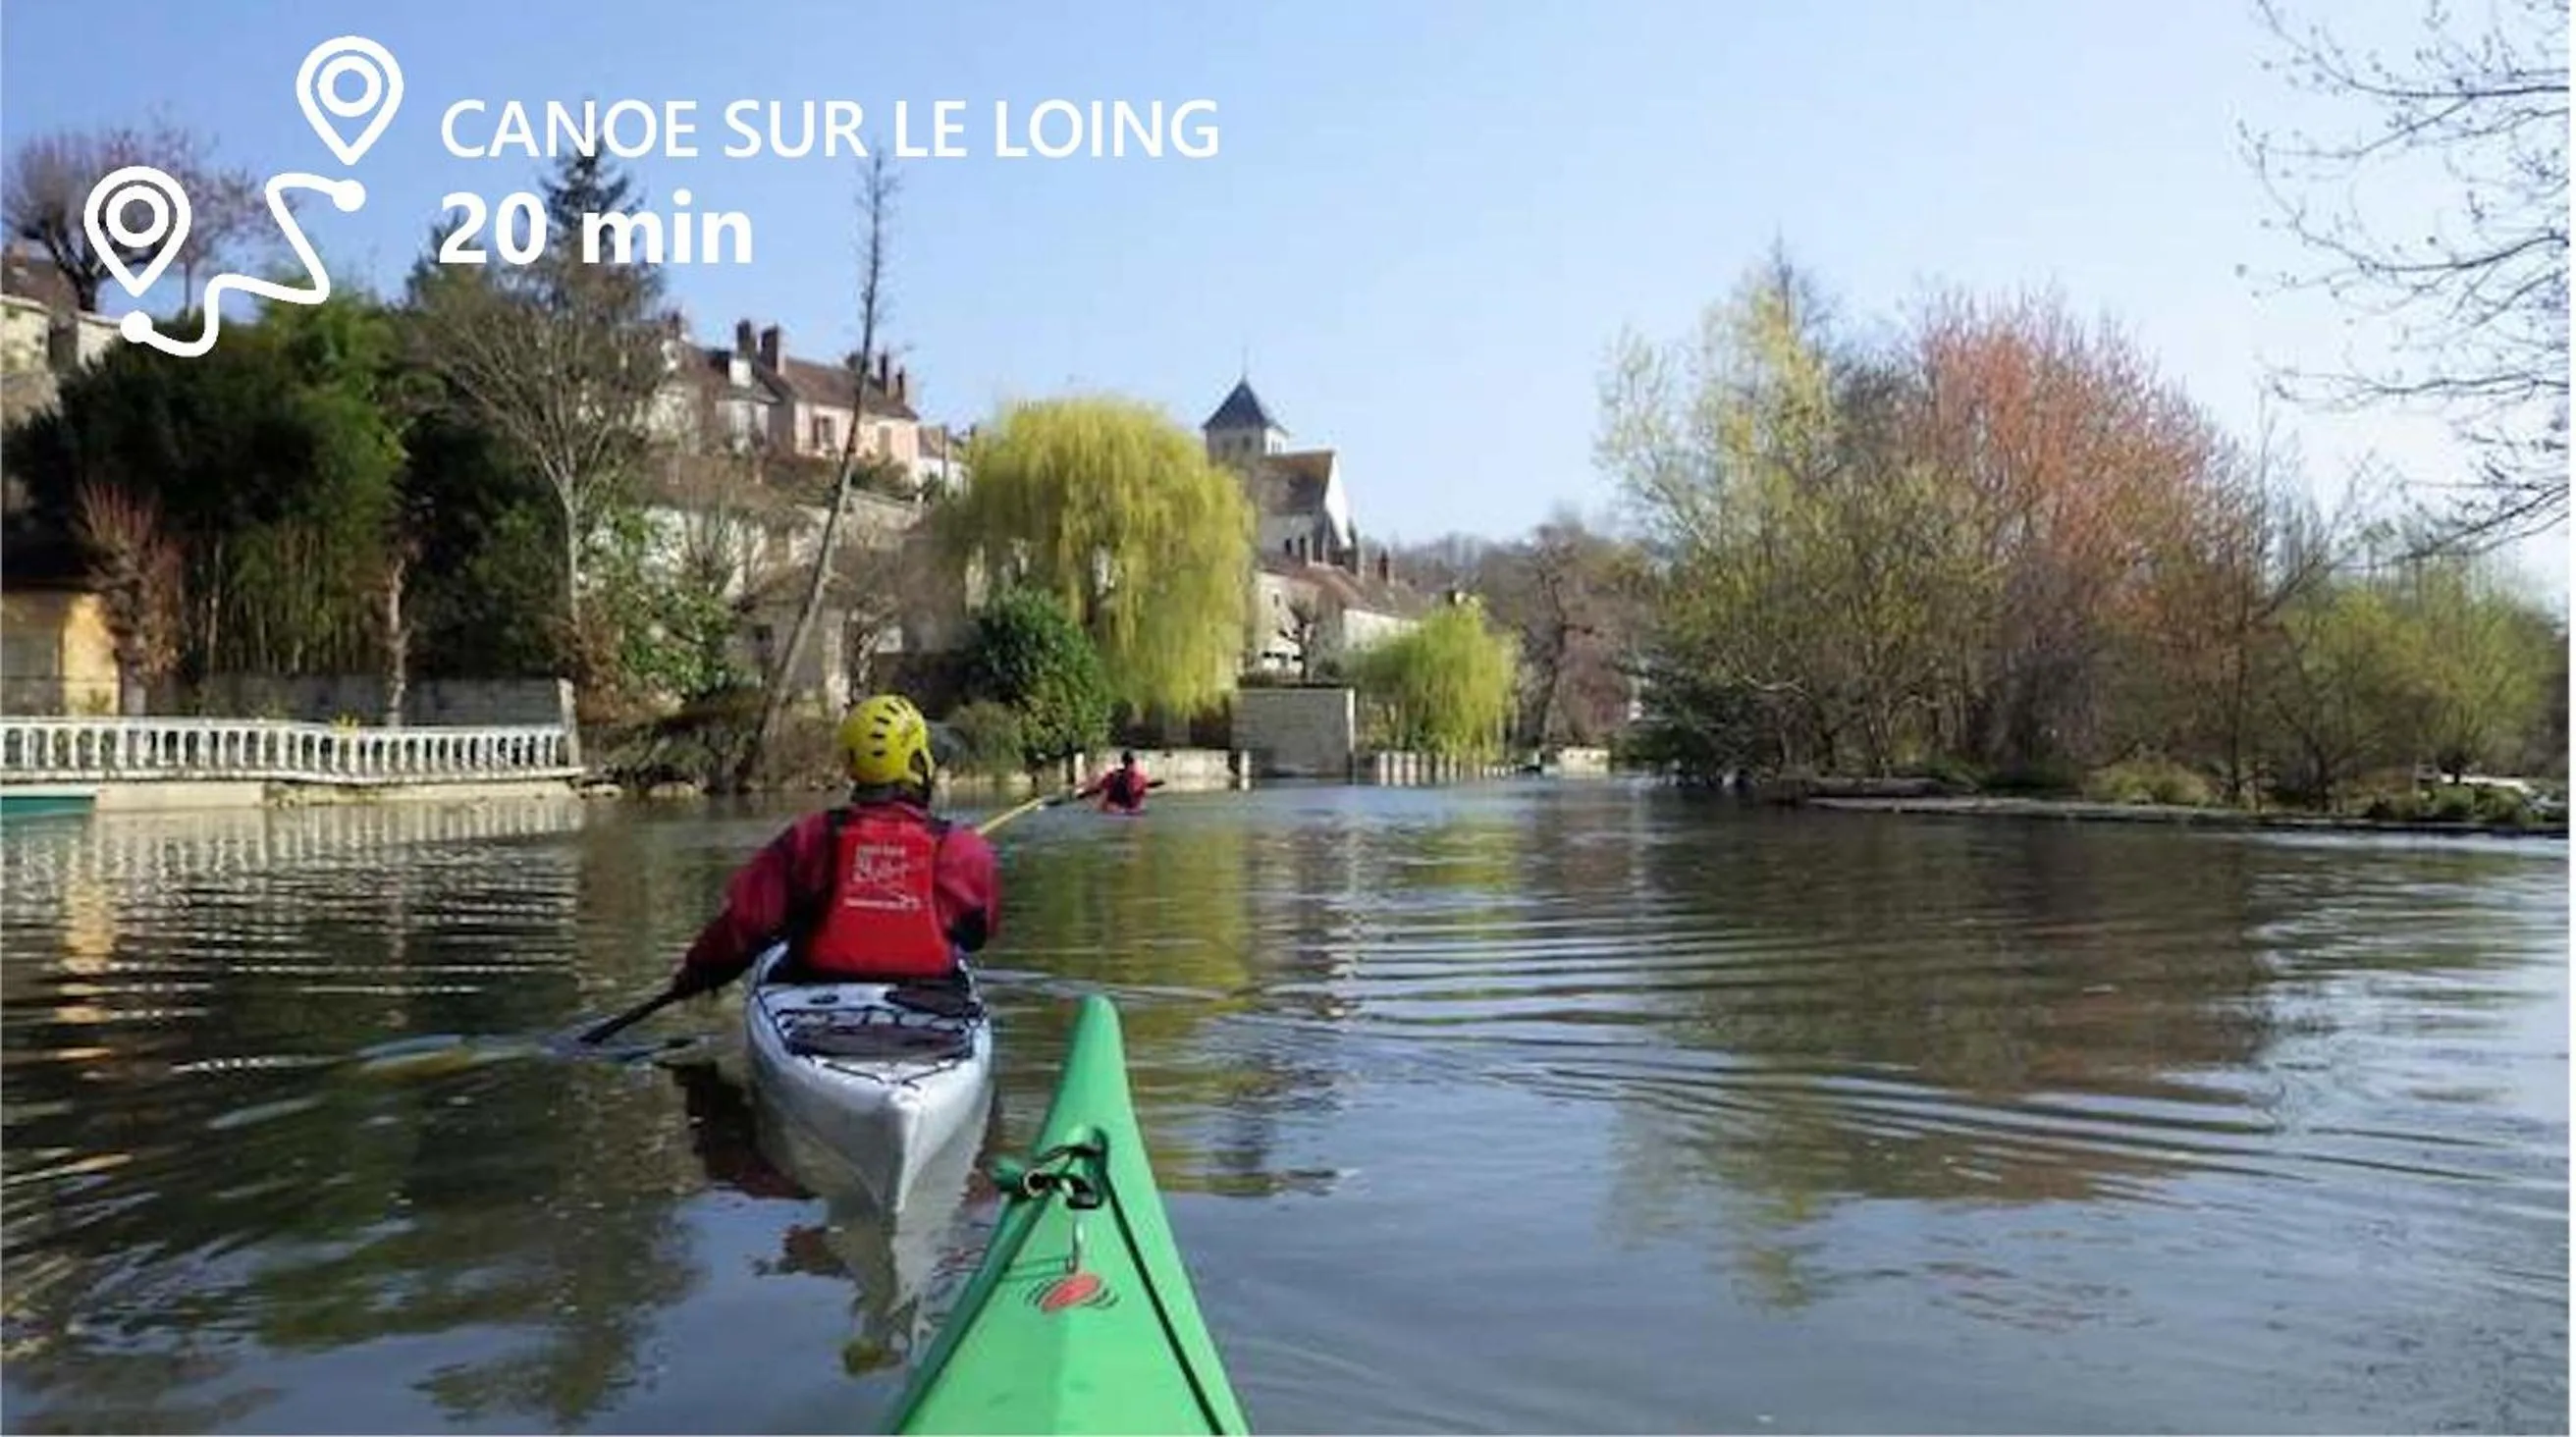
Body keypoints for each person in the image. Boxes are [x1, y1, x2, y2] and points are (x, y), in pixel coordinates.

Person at [670, 694, 998, 998]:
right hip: (928, 1003)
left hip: (817, 990)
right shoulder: (963, 849)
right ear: (917, 762)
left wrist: (699, 973)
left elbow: (745, 923)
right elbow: (976, 934)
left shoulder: (807, 839)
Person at [1077, 749, 1154, 814]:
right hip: (1132, 811)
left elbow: (1100, 793)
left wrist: (1086, 794)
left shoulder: (1113, 776)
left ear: (1123, 762)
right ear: (1134, 762)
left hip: (1117, 810)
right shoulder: (1140, 778)